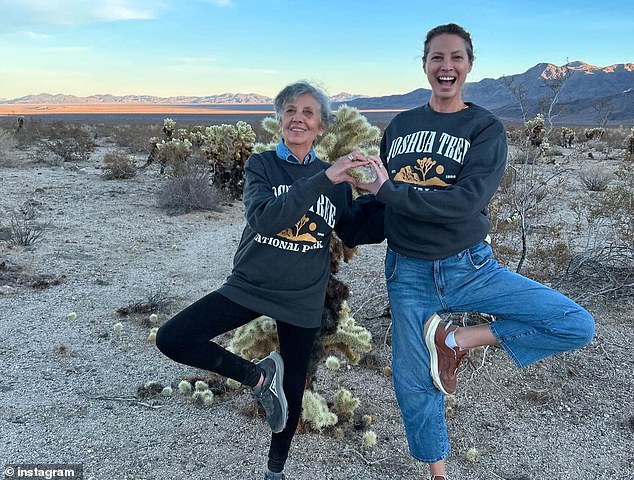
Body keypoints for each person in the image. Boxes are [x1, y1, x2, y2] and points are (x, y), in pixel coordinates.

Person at [358, 23, 595, 480]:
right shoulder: (400, 127)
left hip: (469, 265)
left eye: (456, 58)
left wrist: (388, 191)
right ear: (424, 64)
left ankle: (456, 340)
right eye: (436, 58)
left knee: (575, 323)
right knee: (413, 382)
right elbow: (381, 205)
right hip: (407, 270)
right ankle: (439, 474)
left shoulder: (483, 128)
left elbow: (464, 203)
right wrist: (331, 202)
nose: (446, 67)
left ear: (469, 64)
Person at [156, 81, 384, 480]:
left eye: (308, 112)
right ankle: (258, 377)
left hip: (302, 297)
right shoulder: (261, 165)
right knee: (173, 338)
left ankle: (275, 470)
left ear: (322, 126)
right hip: (251, 284)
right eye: (290, 110)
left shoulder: (334, 179)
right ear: (279, 120)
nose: (298, 117)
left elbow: (352, 231)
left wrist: (382, 196)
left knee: (293, 388)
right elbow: (265, 218)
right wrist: (324, 178)